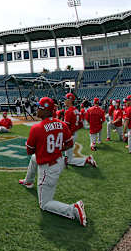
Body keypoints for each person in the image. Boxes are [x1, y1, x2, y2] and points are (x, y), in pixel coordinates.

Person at [18, 97, 87, 227]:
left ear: (45, 111)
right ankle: (28, 180)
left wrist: (41, 148)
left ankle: (73, 209)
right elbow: (69, 144)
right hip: (58, 161)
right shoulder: (62, 124)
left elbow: (29, 151)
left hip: (48, 167)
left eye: (39, 107)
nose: (37, 109)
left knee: (44, 204)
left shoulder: (37, 128)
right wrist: (56, 149)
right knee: (34, 160)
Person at [63, 93, 97, 167]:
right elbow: (80, 124)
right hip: (74, 134)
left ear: (70, 100)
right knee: (68, 153)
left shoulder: (68, 111)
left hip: (70, 135)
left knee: (69, 159)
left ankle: (87, 159)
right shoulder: (76, 110)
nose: (64, 101)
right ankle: (66, 158)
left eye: (65, 99)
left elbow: (66, 126)